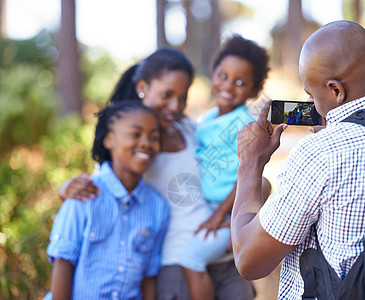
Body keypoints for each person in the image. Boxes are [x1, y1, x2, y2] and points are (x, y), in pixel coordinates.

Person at [230, 20, 365, 300]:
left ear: (336, 91)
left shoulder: (322, 153)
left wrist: (250, 164)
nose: (313, 106)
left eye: (312, 96)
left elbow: (248, 259)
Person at [57, 47, 257, 300]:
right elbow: (103, 192)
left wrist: (236, 215)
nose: (174, 106)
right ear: (143, 88)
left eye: (182, 97)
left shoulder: (189, 129)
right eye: (166, 94)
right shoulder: (132, 148)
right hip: (175, 269)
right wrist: (64, 191)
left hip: (224, 258)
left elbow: (231, 175)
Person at [46, 101, 170, 299]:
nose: (146, 142)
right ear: (109, 140)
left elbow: (149, 277)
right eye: (135, 134)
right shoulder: (83, 193)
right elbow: (63, 264)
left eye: (154, 137)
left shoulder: (158, 207)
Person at [179, 34, 270, 300]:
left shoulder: (245, 124)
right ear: (213, 73)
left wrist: (221, 216)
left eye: (241, 83)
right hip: (206, 208)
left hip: (230, 214)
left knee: (191, 259)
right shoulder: (207, 118)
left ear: (254, 91)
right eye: (223, 76)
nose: (229, 86)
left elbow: (245, 177)